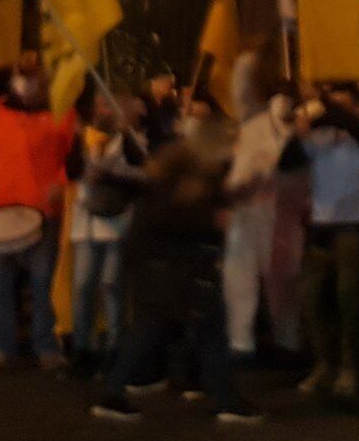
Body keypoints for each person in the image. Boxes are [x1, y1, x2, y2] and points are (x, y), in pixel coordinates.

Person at [90, 112, 263, 424]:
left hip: (162, 264)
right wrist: (213, 220)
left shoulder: (176, 168)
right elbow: (175, 218)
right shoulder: (192, 177)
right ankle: (223, 397)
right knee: (194, 328)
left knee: (158, 328)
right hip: (176, 266)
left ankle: (116, 390)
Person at [0, 57, 78, 372]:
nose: (23, 83)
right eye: (20, 76)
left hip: (42, 213)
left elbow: (74, 155)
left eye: (30, 77)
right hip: (1, 211)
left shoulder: (62, 112)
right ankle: (2, 347)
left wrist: (60, 183)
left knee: (43, 282)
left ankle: (46, 347)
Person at [297, 83, 359, 401]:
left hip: (354, 226)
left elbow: (357, 127)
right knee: (313, 298)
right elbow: (289, 159)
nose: (334, 111)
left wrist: (325, 103)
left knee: (351, 300)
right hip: (320, 227)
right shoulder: (320, 138)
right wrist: (302, 129)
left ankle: (350, 366)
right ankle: (324, 362)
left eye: (344, 105)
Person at [68, 91, 147, 371]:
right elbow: (71, 170)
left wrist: (110, 174)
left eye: (108, 106)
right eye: (99, 105)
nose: (103, 111)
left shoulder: (128, 140)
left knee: (112, 285)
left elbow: (142, 172)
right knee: (83, 286)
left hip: (116, 222)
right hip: (87, 222)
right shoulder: (85, 137)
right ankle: (83, 347)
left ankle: (115, 347)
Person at [223, 90, 302, 362]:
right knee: (242, 279)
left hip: (283, 216)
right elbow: (239, 176)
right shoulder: (253, 130)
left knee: (282, 279)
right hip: (249, 215)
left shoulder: (300, 131)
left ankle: (284, 341)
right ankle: (242, 341)